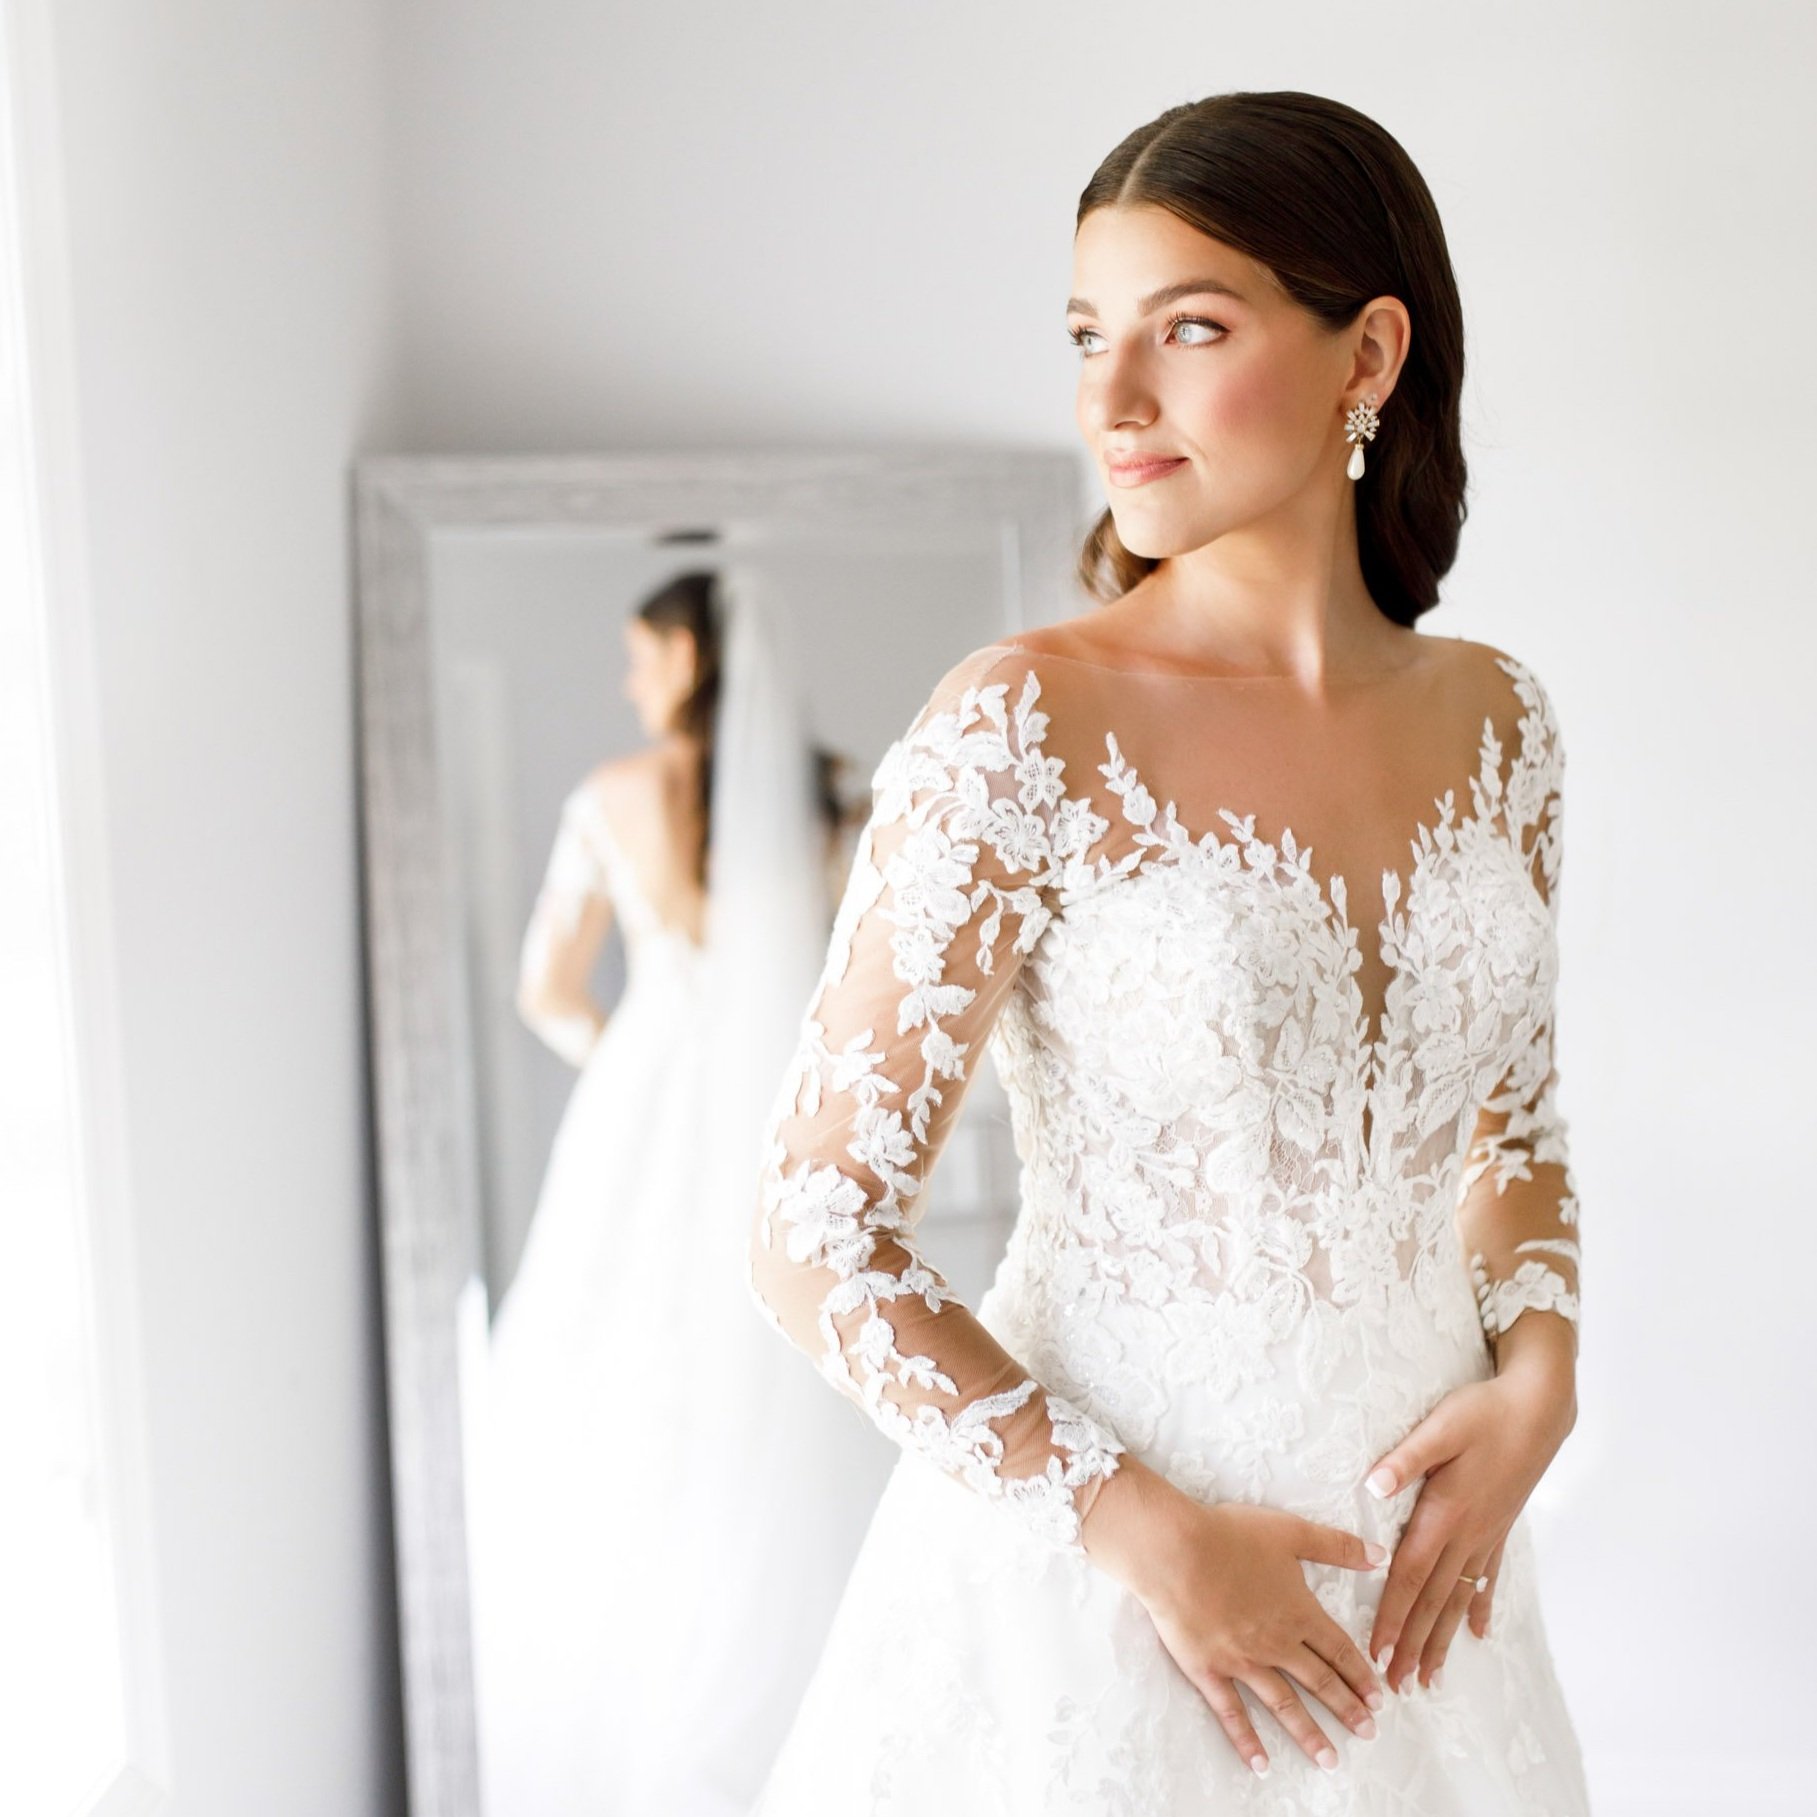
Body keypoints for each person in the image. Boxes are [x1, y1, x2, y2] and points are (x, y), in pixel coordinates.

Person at [746, 89, 1590, 1812]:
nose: (1108, 404)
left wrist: (1539, 1380)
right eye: (1085, 337)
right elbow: (813, 1230)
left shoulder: (1498, 720)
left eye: (1185, 329)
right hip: (1105, 1605)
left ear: (1366, 353)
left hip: (1422, 1602)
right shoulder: (1024, 724)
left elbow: (1507, 1124)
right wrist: (1148, 1537)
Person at [467, 569, 891, 1815]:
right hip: (775, 1105)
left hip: (648, 1106)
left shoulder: (610, 798)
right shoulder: (825, 807)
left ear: (693, 661)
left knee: (618, 1373)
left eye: (643, 657)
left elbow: (546, 986)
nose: (629, 682)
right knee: (766, 1381)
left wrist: (626, 1060)